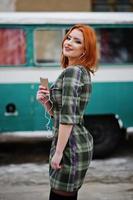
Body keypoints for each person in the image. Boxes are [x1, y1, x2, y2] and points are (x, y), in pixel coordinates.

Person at [36, 24, 98, 200]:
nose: (69, 42)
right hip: (74, 144)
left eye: (77, 41)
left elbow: (68, 118)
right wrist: (46, 102)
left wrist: (58, 153)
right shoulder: (79, 71)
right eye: (69, 37)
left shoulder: (73, 72)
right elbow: (61, 114)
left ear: (85, 50)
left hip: (70, 147)